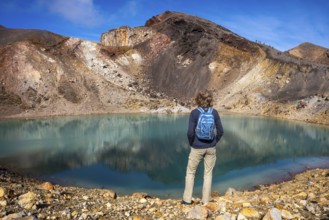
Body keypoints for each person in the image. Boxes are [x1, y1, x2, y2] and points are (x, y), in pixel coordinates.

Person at [182, 90, 224, 205]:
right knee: (208, 174)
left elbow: (190, 133)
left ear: (198, 99)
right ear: (210, 99)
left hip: (196, 147)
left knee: (191, 173)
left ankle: (187, 200)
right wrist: (214, 142)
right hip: (211, 148)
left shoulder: (194, 113)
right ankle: (205, 201)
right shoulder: (214, 113)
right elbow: (220, 131)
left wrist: (192, 143)